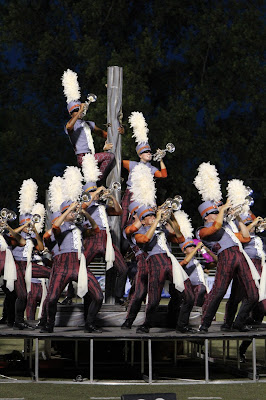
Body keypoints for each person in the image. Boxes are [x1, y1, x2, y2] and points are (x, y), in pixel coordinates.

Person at [196, 199, 261, 333]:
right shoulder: (201, 230)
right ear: (206, 216)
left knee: (254, 294)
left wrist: (237, 216)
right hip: (226, 256)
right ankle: (205, 324)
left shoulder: (227, 227)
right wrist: (222, 210)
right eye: (214, 212)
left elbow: (246, 237)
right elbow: (215, 227)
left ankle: (239, 322)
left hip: (240, 255)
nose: (218, 213)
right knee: (219, 292)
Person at [40, 201, 103, 333]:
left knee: (98, 296)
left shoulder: (79, 227)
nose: (74, 213)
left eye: (74, 212)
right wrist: (70, 210)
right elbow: (55, 226)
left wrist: (85, 212)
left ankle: (89, 324)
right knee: (51, 298)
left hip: (78, 264)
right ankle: (49, 325)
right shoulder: (60, 227)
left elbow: (96, 229)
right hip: (62, 264)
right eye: (71, 212)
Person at [131, 206, 195, 333]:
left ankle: (182, 325)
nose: (153, 217)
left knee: (189, 295)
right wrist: (157, 220)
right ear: (142, 221)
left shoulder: (162, 230)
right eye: (149, 216)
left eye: (153, 215)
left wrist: (170, 218)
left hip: (170, 260)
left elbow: (180, 237)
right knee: (154, 299)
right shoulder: (138, 233)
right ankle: (146, 325)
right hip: (155, 262)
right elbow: (145, 239)